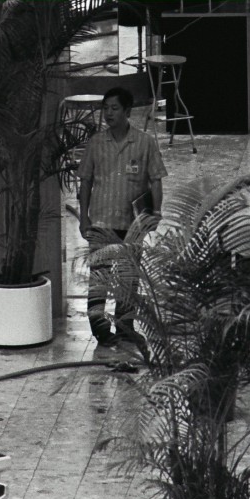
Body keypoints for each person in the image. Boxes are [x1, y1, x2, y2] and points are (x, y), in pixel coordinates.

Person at [78, 86, 167, 347]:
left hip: (132, 225)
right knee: (99, 280)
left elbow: (156, 179)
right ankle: (100, 331)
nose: (108, 113)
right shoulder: (96, 143)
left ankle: (125, 327)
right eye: (105, 108)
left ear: (127, 111)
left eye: (114, 108)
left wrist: (156, 213)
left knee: (129, 279)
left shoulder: (145, 142)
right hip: (101, 223)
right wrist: (83, 218)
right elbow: (85, 181)